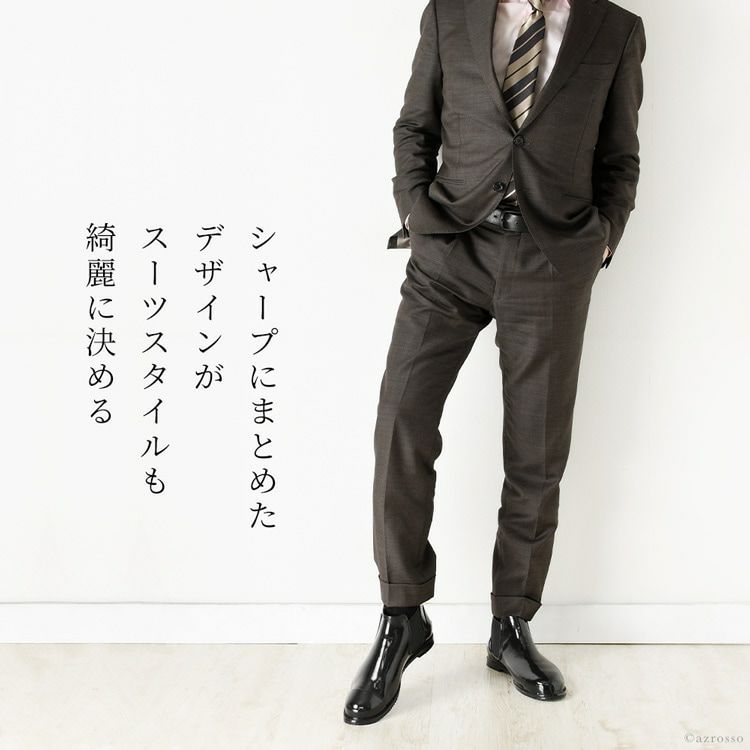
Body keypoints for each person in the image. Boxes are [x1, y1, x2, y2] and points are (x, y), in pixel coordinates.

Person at [344, 0, 646, 725]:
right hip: (449, 251)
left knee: (537, 453)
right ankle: (401, 616)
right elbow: (414, 126)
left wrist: (602, 239)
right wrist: (417, 214)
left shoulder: (615, 29)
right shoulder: (450, 13)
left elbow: (619, 156)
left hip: (551, 261)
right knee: (401, 422)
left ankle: (511, 623)